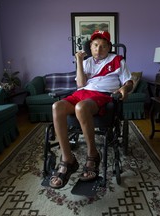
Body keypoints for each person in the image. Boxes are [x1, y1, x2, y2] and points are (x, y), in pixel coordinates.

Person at [50, 30, 133, 189]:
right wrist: (79, 61)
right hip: (82, 93)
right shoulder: (86, 62)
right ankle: (68, 159)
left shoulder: (117, 60)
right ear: (91, 46)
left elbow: (128, 82)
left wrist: (124, 89)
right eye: (95, 45)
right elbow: (80, 85)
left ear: (109, 47)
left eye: (103, 46)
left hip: (102, 95)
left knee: (81, 107)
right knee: (57, 106)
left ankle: (93, 155)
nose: (99, 49)